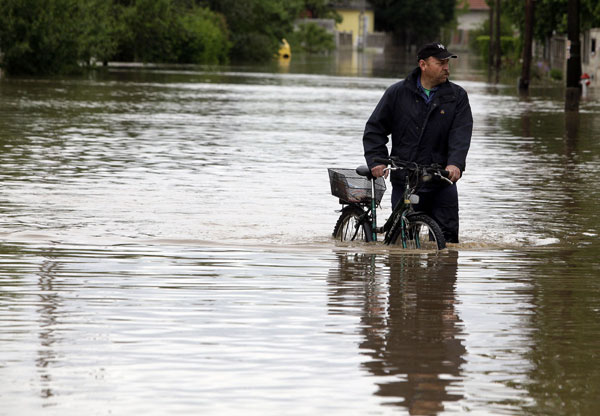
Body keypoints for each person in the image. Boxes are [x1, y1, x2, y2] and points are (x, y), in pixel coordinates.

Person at [363, 42, 473, 243]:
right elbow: (375, 130)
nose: (446, 67)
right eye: (441, 63)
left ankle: (441, 274)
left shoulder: (457, 97)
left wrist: (455, 163)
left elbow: (461, 134)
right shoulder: (397, 93)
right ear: (423, 65)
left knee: (447, 243)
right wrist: (377, 160)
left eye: (447, 62)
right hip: (406, 179)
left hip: (442, 180)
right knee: (402, 241)